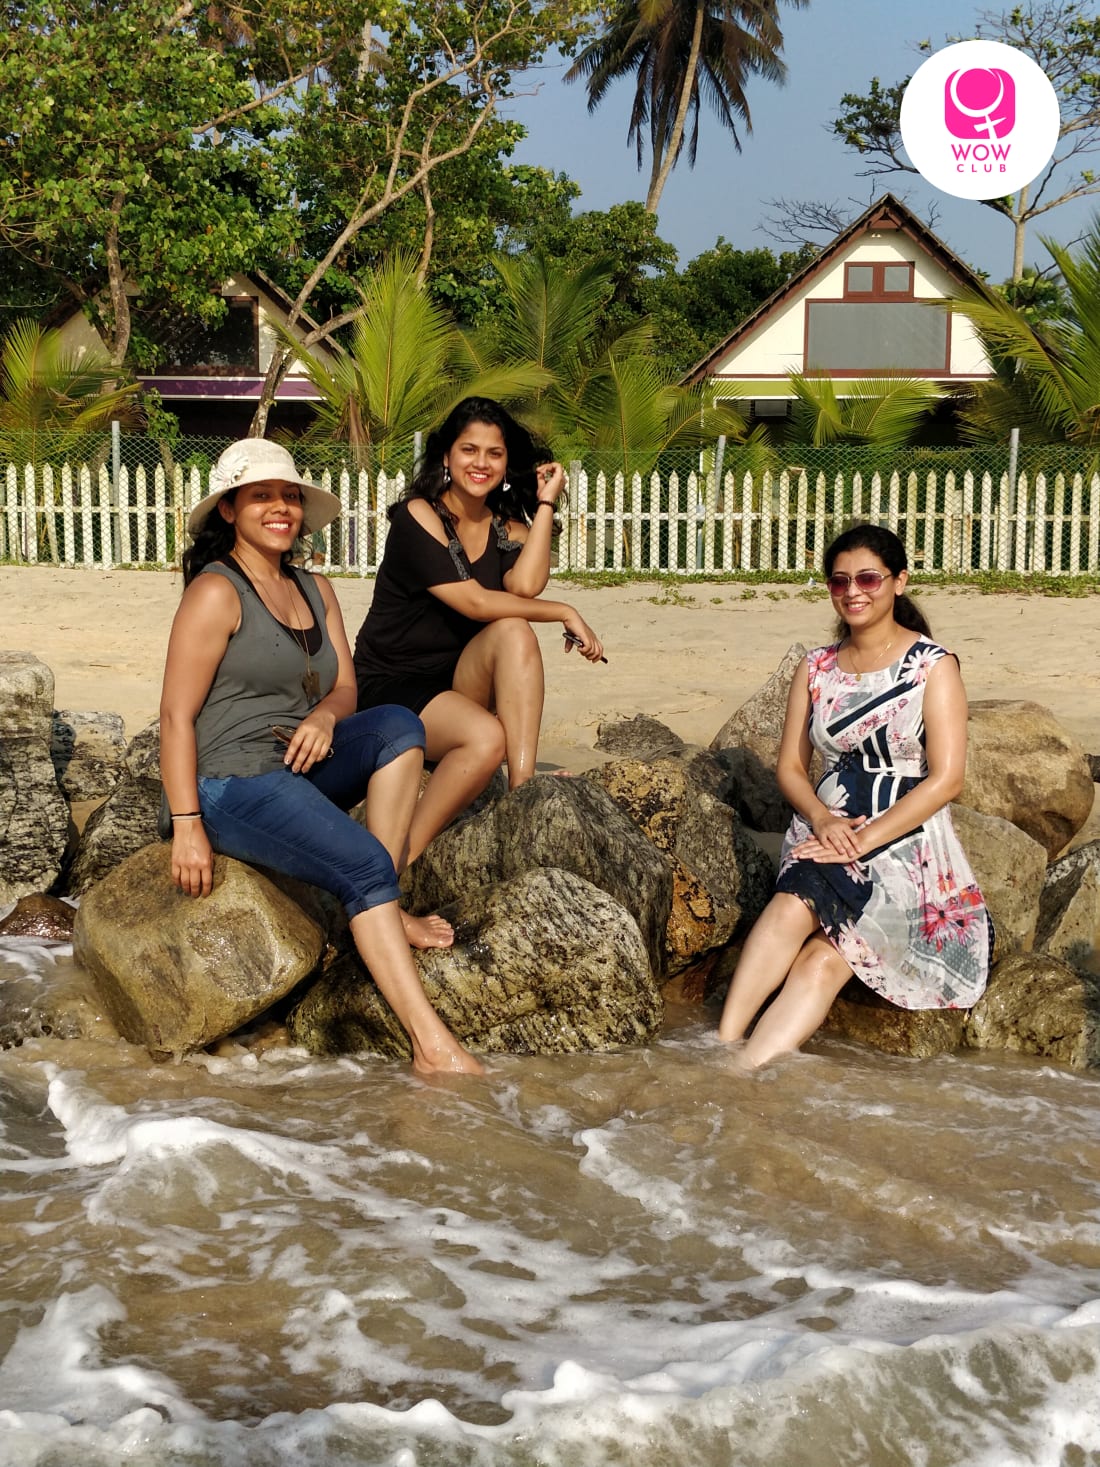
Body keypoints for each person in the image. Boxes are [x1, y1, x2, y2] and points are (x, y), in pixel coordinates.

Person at [159, 438, 483, 1077]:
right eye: (261, 497)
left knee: (396, 726)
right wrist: (188, 825)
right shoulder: (216, 593)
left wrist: (325, 716)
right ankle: (432, 1048)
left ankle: (383, 897)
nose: (280, 508)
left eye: (288, 496)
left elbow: (345, 686)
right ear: (229, 510)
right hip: (232, 780)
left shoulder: (315, 587)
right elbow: (175, 715)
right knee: (360, 863)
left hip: (299, 761)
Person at [717, 522, 992, 1069]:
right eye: (839, 581)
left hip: (904, 843)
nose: (853, 592)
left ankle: (742, 1071)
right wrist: (822, 820)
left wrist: (861, 839)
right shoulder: (815, 668)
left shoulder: (933, 667)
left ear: (899, 582)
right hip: (826, 827)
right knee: (793, 904)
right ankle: (719, 1051)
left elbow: (947, 780)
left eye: (868, 578)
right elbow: (791, 767)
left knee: (821, 959)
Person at [353, 397, 605, 867]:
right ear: (447, 456)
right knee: (488, 736)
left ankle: (522, 790)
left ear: (508, 464)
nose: (481, 463)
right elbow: (473, 600)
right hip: (390, 684)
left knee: (513, 628)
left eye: (494, 453)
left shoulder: (506, 527)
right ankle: (402, 858)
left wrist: (546, 502)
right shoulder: (418, 516)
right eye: (469, 450)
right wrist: (565, 611)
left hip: (456, 681)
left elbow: (525, 587)